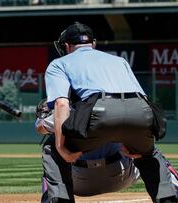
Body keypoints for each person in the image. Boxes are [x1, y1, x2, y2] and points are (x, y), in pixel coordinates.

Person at [44, 22, 178, 202]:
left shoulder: (58, 64)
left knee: (52, 148)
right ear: (93, 43)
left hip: (99, 111)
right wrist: (138, 142)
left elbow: (61, 104)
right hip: (140, 110)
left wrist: (62, 148)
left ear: (67, 46)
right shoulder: (119, 61)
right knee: (150, 155)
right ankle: (168, 198)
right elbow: (143, 100)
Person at [35, 99, 178, 202]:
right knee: (151, 153)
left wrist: (56, 119)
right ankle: (172, 194)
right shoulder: (121, 105)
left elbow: (40, 126)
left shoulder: (69, 111)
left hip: (78, 182)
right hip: (122, 174)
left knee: (52, 152)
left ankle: (52, 199)